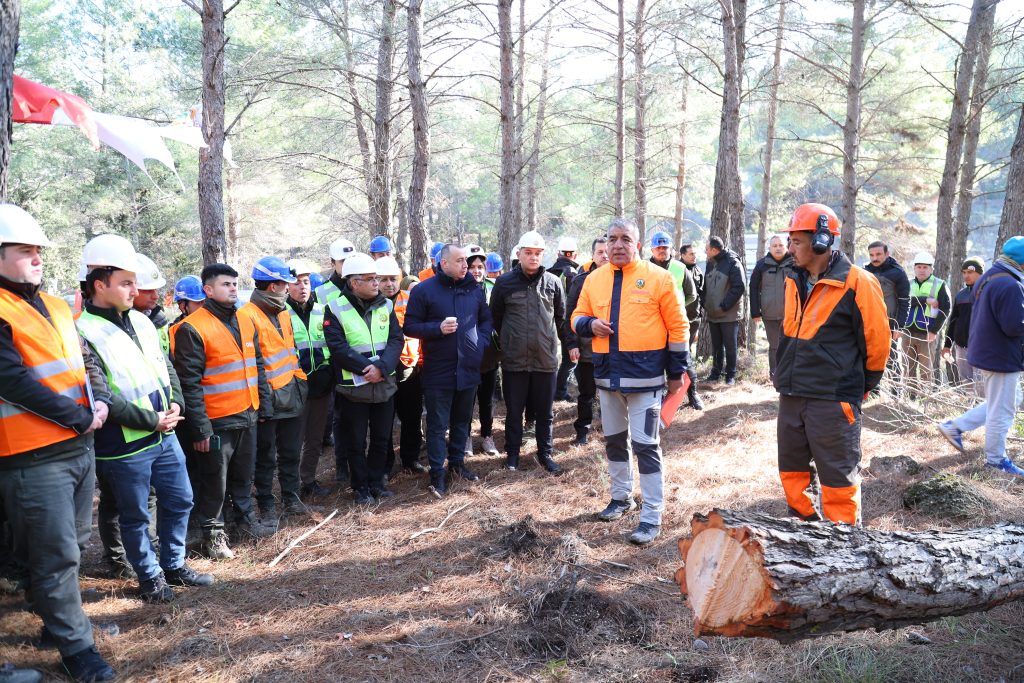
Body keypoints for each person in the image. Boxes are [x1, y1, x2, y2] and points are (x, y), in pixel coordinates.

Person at [0, 204, 117, 682]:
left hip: (76, 446)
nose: (36, 258)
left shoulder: (53, 304)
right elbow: (12, 380)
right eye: (24, 251)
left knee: (74, 541)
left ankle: (55, 620)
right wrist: (80, 417)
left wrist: (101, 400)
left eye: (38, 251)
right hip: (31, 455)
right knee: (57, 554)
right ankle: (77, 649)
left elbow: (85, 357)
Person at [77, 234, 213, 603]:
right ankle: (150, 577)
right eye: (125, 282)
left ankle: (173, 564)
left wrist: (175, 405)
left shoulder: (140, 320)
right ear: (99, 284)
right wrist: (150, 420)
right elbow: (99, 394)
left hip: (163, 434)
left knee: (181, 499)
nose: (134, 289)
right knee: (135, 516)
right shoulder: (82, 332)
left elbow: (164, 367)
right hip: (123, 444)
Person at [572, 218, 690, 545]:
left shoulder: (660, 278)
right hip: (608, 377)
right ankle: (620, 497)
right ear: (605, 245)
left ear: (637, 243)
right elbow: (576, 316)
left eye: (625, 239)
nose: (618, 245)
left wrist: (676, 373)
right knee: (614, 441)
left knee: (646, 446)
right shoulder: (594, 279)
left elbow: (679, 328)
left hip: (647, 380)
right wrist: (589, 324)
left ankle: (651, 514)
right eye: (612, 239)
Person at [774, 203, 889, 525]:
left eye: (796, 241)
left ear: (821, 240)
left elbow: (877, 342)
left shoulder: (858, 282)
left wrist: (859, 386)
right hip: (792, 392)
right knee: (792, 474)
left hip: (833, 397)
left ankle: (845, 550)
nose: (791, 248)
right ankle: (801, 539)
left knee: (838, 479)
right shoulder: (792, 279)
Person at [172, 263, 273, 560]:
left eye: (233, 284)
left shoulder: (244, 320)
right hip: (216, 421)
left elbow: (257, 366)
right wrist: (200, 428)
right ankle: (213, 536)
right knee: (214, 480)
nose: (232, 288)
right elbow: (189, 383)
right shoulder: (192, 328)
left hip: (248, 413)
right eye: (225, 284)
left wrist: (263, 404)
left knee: (244, 474)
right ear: (208, 290)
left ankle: (244, 522)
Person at [404, 244, 492, 495]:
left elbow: (485, 319)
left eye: (467, 261)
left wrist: (481, 342)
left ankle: (457, 465)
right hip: (438, 371)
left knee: (462, 422)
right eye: (461, 260)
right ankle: (437, 473)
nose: (466, 265)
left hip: (468, 369)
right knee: (437, 425)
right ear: (444, 263)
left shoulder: (474, 289)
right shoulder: (424, 291)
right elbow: (409, 326)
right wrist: (437, 329)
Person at [937, 239, 1024, 478]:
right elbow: (1014, 326)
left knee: (1008, 399)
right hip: (1001, 356)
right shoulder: (1009, 285)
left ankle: (954, 427)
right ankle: (996, 460)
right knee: (1002, 410)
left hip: (987, 351)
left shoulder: (990, 278)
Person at [323, 253, 403, 502]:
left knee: (381, 438)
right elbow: (338, 347)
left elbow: (395, 339)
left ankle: (376, 482)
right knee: (355, 441)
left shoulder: (386, 305)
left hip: (383, 386)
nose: (376, 284)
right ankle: (360, 487)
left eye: (375, 278)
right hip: (353, 389)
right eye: (370, 279)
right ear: (354, 282)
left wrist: (381, 367)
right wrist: (366, 369)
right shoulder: (335, 308)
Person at [241, 257, 309, 527]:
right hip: (266, 401)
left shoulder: (283, 312)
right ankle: (267, 504)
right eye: (285, 284)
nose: (288, 288)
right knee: (266, 456)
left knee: (291, 451)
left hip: (292, 393)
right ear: (273, 286)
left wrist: (300, 383)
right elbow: (252, 364)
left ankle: (292, 498)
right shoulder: (246, 315)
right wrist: (264, 402)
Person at [491, 230, 565, 474]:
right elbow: (496, 319)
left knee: (545, 414)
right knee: (514, 412)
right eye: (528, 253)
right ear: (519, 254)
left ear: (543, 255)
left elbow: (561, 319)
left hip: (545, 359)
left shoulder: (553, 283)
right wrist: (509, 344)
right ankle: (512, 455)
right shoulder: (503, 283)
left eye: (537, 253)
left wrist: (570, 346)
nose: (533, 258)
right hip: (515, 361)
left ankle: (545, 455)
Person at [285, 259, 335, 500]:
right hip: (294, 386)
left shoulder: (323, 310)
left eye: (306, 282)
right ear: (286, 287)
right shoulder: (281, 314)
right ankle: (290, 486)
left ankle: (308, 480)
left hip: (321, 385)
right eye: (296, 282)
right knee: (294, 439)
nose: (302, 287)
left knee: (315, 438)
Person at [377, 256, 429, 475]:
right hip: (383, 369)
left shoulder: (411, 297)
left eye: (393, 279)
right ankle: (386, 464)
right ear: (376, 281)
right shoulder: (373, 302)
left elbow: (424, 329)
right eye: (383, 280)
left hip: (410, 366)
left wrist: (423, 361)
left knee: (411, 416)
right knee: (384, 420)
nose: (389, 284)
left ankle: (410, 459)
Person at [314, 237, 356, 484]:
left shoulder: (361, 285)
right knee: (341, 417)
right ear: (333, 263)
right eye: (343, 261)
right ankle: (342, 465)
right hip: (335, 364)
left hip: (360, 361)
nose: (347, 264)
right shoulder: (322, 293)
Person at [565, 236, 608, 445]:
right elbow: (570, 313)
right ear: (593, 255)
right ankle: (582, 431)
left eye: (608, 251)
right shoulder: (581, 280)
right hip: (587, 350)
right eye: (600, 252)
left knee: (613, 393)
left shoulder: (624, 279)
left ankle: (612, 430)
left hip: (614, 350)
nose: (605, 255)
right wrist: (572, 344)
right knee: (586, 394)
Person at [648, 231, 700, 404]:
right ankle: (658, 397)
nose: (662, 250)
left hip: (676, 323)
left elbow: (691, 295)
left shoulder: (680, 268)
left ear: (671, 249)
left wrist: (676, 309)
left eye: (665, 247)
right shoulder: (644, 268)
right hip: (652, 323)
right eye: (659, 247)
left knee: (684, 358)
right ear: (652, 249)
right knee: (655, 359)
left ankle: (693, 394)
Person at [465, 245, 500, 456]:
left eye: (480, 266)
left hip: (489, 354)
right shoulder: (460, 289)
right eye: (472, 267)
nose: (476, 271)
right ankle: (466, 437)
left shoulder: (492, 288)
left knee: (487, 399)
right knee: (467, 398)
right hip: (467, 354)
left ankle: (487, 436)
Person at [901, 251, 950, 394]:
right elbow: (904, 302)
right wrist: (925, 300)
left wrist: (934, 331)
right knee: (907, 366)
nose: (922, 270)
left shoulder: (940, 284)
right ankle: (910, 398)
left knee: (925, 369)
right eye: (919, 267)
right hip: (908, 331)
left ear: (931, 269)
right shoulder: (908, 284)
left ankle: (924, 399)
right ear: (914, 268)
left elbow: (945, 309)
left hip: (927, 333)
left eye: (925, 267)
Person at [864, 241, 910, 387]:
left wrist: (900, 326)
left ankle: (896, 394)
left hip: (890, 323)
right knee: (869, 357)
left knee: (892, 359)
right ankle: (872, 392)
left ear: (887, 254)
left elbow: (905, 301)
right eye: (871, 255)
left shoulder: (898, 273)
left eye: (878, 254)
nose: (874, 258)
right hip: (869, 322)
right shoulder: (865, 272)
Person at [701, 235, 745, 385]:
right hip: (713, 313)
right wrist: (706, 303)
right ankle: (715, 373)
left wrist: (724, 305)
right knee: (716, 345)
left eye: (706, 249)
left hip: (729, 314)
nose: (705, 251)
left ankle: (730, 375)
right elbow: (706, 287)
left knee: (730, 346)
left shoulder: (733, 262)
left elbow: (739, 287)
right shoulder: (710, 262)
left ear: (714, 250)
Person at [749, 235, 794, 379]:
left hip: (791, 314)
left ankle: (790, 374)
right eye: (775, 246)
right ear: (769, 248)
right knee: (774, 345)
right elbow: (753, 288)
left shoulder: (794, 263)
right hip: (770, 314)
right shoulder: (762, 265)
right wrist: (755, 311)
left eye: (781, 245)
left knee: (791, 345)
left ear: (786, 247)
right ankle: (774, 375)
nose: (778, 248)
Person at [942, 257, 984, 390]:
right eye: (964, 272)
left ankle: (983, 410)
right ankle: (969, 407)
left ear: (980, 273)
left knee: (981, 383)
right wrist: (947, 345)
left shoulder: (988, 292)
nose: (966, 276)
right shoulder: (961, 295)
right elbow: (953, 321)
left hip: (981, 347)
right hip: (961, 347)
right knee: (967, 382)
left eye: (970, 272)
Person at [548, 237, 580, 402]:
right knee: (571, 358)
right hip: (566, 321)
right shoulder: (572, 273)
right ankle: (559, 392)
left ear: (558, 253)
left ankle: (553, 390)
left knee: (550, 358)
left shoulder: (548, 271)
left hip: (547, 322)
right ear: (575, 255)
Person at [679, 243, 705, 409]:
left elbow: (701, 294)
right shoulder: (677, 269)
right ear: (682, 255)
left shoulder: (698, 270)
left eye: (695, 254)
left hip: (693, 319)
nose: (694, 256)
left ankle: (692, 394)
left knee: (686, 356)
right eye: (690, 254)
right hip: (676, 321)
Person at [132, 253, 171, 355]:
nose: (156, 296)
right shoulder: (121, 325)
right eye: (148, 290)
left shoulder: (159, 319)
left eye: (155, 290)